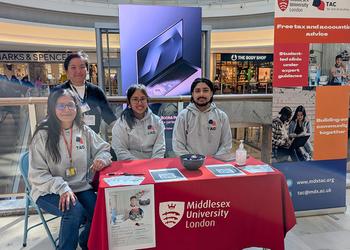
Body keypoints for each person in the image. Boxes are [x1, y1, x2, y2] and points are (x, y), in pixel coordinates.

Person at [28, 88, 112, 250]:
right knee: (74, 211)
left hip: (79, 186)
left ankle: (86, 242)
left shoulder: (83, 130)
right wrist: (62, 188)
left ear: (76, 107)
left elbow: (104, 148)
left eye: (70, 105)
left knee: (100, 211)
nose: (66, 110)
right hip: (49, 190)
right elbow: (37, 174)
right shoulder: (42, 135)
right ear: (52, 108)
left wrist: (101, 159)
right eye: (60, 106)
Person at [53, 51, 116, 133]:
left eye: (82, 67)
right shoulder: (58, 91)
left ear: (87, 70)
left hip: (92, 140)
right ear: (66, 71)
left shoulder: (96, 91)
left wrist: (123, 132)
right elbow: (51, 118)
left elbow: (109, 117)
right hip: (67, 140)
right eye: (73, 67)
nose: (78, 71)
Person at [172, 78, 232, 156]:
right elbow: (178, 144)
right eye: (197, 91)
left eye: (205, 90)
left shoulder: (221, 116)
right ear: (192, 94)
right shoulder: (183, 116)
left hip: (213, 164)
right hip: (190, 164)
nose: (201, 94)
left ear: (211, 93)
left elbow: (226, 144)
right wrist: (192, 161)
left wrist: (214, 160)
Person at [112, 84, 165, 160]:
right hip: (130, 165)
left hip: (152, 165)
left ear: (147, 100)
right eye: (135, 99)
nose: (139, 103)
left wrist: (153, 164)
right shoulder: (121, 123)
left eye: (143, 99)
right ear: (129, 102)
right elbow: (120, 150)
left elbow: (160, 148)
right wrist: (139, 165)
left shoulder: (157, 121)